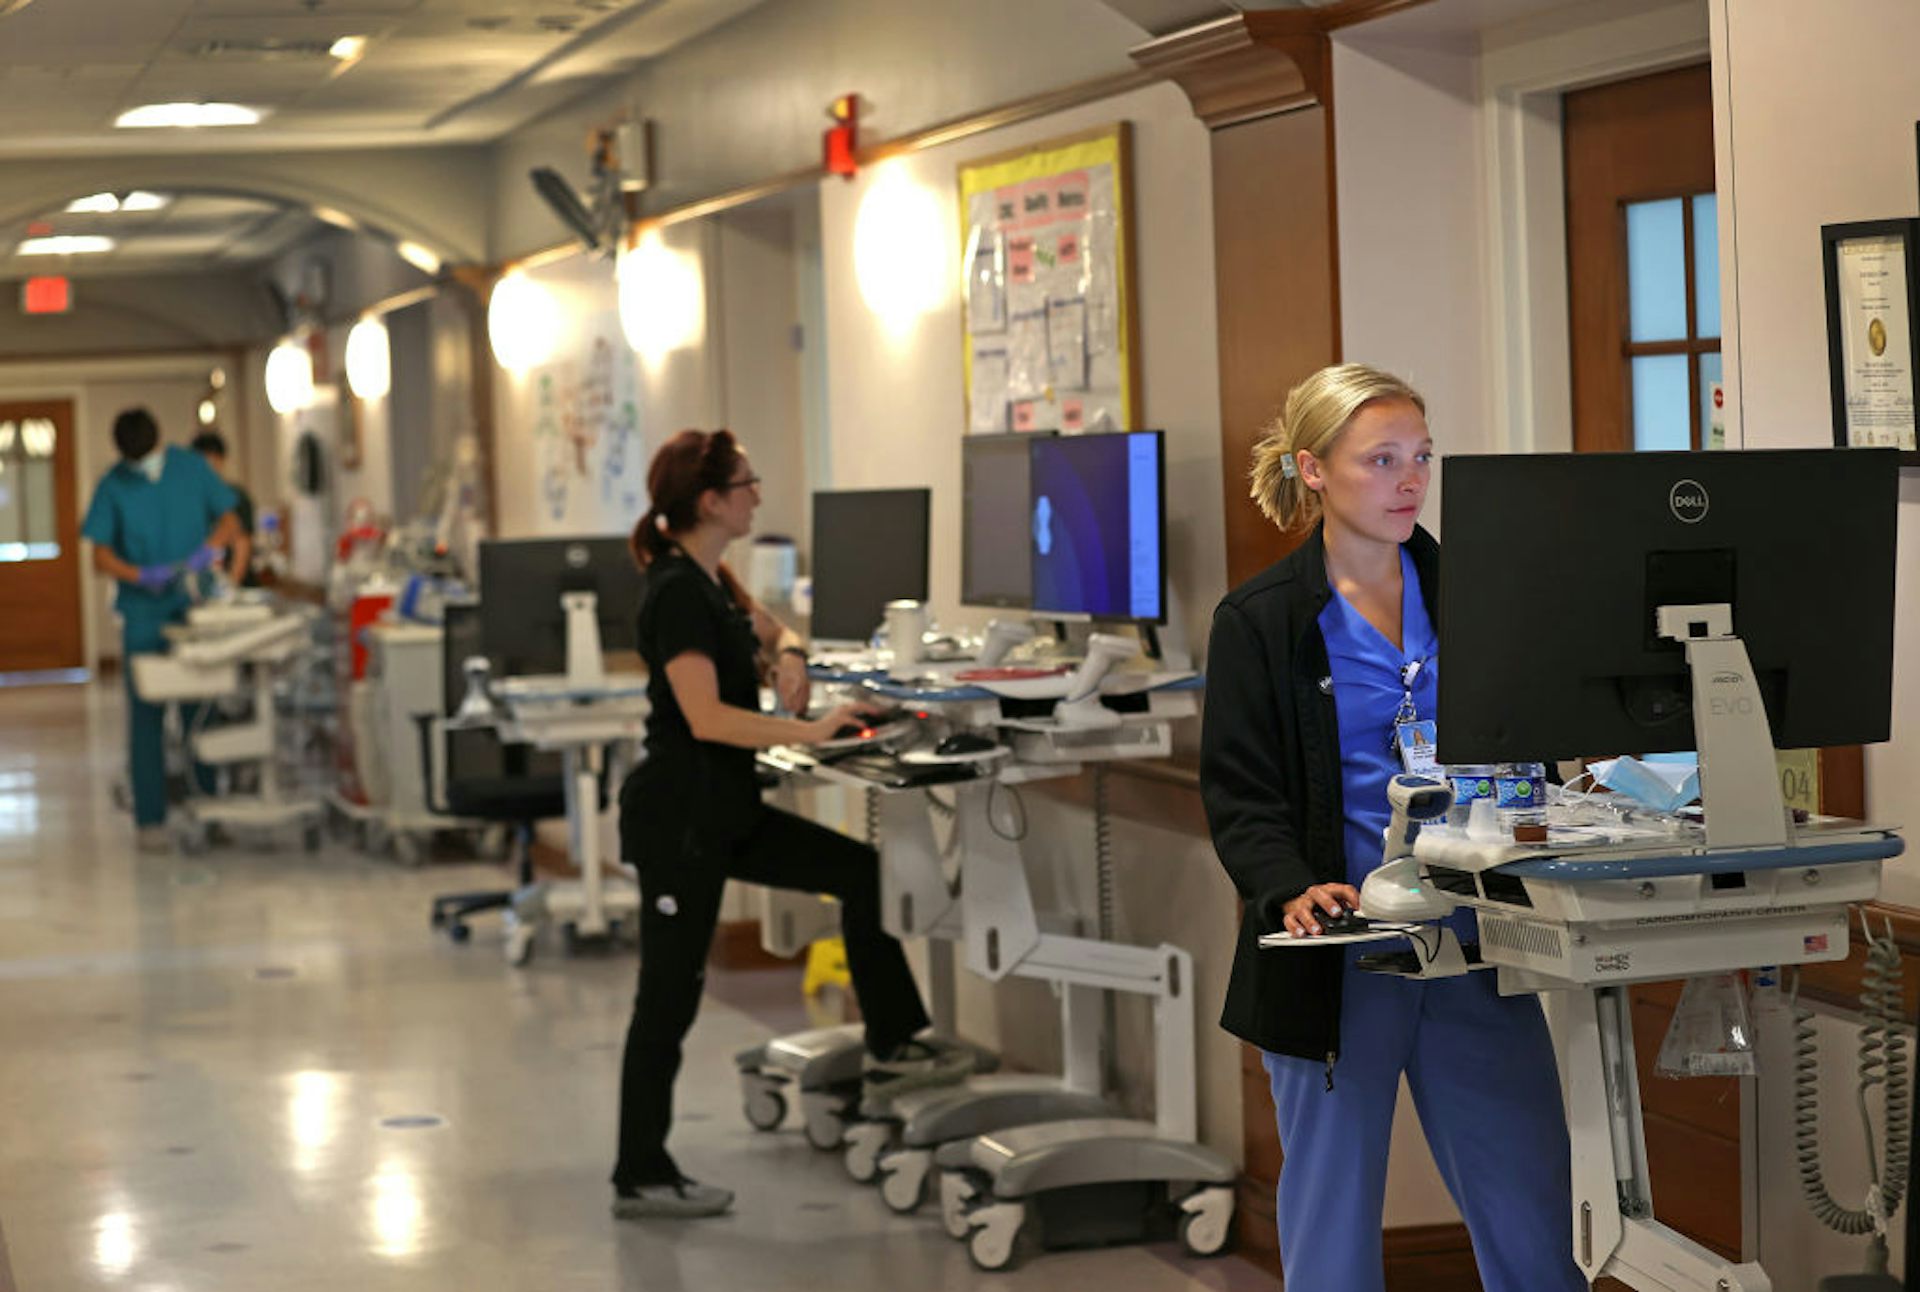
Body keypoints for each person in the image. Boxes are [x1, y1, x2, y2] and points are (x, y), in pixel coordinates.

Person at [1199, 365, 1585, 1292]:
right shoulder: (1263, 621)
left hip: (1475, 933)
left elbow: (1534, 746)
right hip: (1340, 946)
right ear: (1315, 470)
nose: (1410, 480)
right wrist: (1286, 884)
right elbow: (1240, 793)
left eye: (1421, 457)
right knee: (1332, 1228)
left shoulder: (1477, 593)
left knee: (1535, 1208)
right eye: (1381, 460)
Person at [611, 428, 962, 1220]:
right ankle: (640, 1171)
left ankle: (894, 1040)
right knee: (667, 997)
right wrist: (812, 730)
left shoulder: (715, 579)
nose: (757, 494)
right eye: (746, 483)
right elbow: (706, 718)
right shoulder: (674, 592)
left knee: (859, 873)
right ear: (711, 501)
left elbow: (776, 633)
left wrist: (793, 659)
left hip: (725, 812)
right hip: (681, 822)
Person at [82, 408, 244, 852]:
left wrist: (206, 552)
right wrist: (138, 574)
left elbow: (230, 522)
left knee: (201, 710)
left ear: (158, 444)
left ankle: (211, 808)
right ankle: (150, 819)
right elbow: (99, 556)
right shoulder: (114, 483)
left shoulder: (191, 468)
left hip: (192, 604)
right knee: (147, 717)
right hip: (143, 612)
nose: (143, 471)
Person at [189, 430, 256, 586]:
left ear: (221, 461)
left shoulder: (236, 496)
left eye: (211, 463)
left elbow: (242, 545)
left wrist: (231, 586)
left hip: (235, 586)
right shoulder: (190, 500)